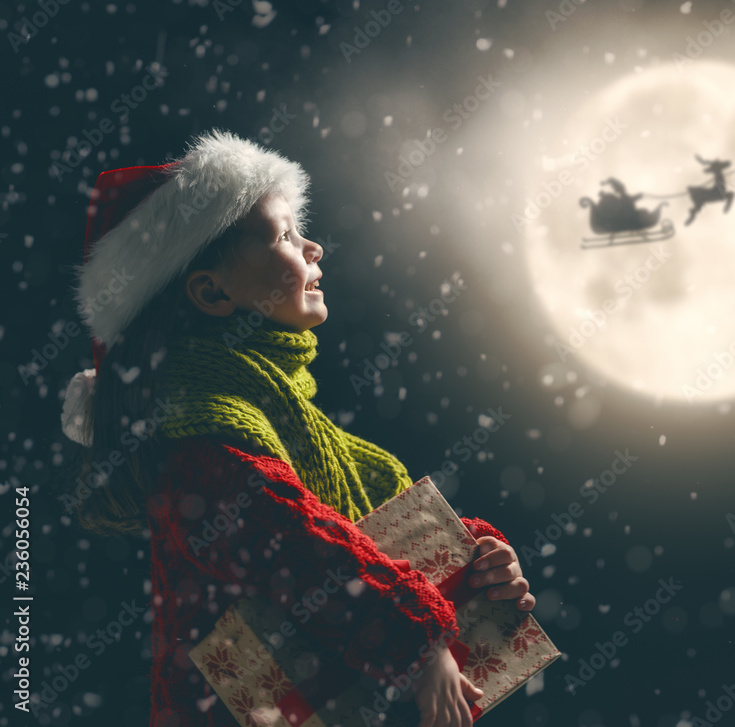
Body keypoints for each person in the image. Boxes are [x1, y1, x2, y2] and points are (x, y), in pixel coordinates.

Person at [60, 129, 535, 727]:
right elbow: (294, 543)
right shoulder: (200, 431)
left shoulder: (280, 414)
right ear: (211, 291)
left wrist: (476, 562)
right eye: (284, 235)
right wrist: (416, 643)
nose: (313, 248)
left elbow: (360, 538)